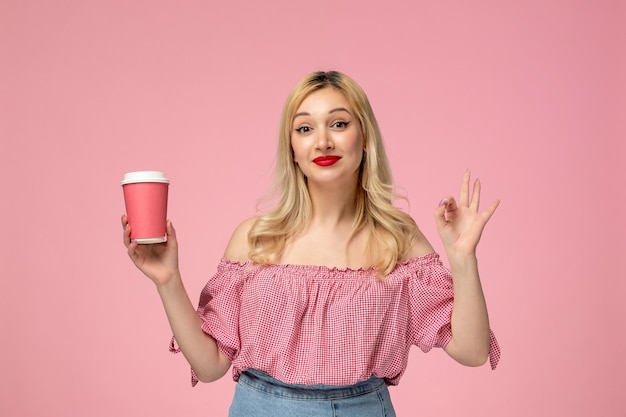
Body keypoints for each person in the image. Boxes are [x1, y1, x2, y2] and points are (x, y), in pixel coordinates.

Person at [122, 70, 500, 416]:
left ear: (364, 136)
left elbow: (471, 351)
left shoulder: (397, 238)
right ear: (292, 149)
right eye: (304, 129)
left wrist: (463, 257)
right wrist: (168, 280)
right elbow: (209, 367)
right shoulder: (256, 239)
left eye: (338, 124)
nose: (322, 141)